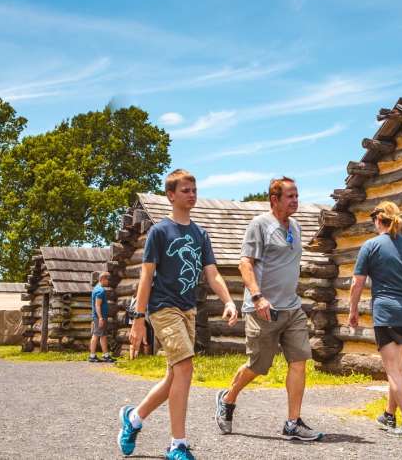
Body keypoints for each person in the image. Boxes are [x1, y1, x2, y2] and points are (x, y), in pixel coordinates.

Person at [117, 169, 238, 460]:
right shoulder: (160, 232)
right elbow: (146, 278)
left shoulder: (200, 234)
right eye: (185, 190)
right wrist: (137, 319)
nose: (192, 195)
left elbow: (212, 273)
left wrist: (229, 300)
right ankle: (177, 444)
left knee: (175, 376)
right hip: (162, 307)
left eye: (194, 190)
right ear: (171, 195)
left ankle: (133, 418)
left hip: (188, 309)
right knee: (185, 367)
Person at [215, 177, 323, 442]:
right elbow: (245, 264)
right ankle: (228, 399)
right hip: (262, 309)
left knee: (299, 362)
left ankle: (292, 422)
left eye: (297, 196)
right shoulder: (259, 225)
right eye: (290, 197)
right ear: (274, 199)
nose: (296, 201)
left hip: (292, 308)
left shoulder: (296, 226)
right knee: (258, 365)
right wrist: (258, 296)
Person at [349, 201, 402, 438]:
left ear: (378, 219)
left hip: (388, 314)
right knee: (398, 367)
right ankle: (389, 414)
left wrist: (353, 310)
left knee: (395, 370)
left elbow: (357, 283)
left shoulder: (371, 246)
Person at [89, 271, 116, 363]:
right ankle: (92, 356)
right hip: (99, 317)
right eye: (108, 280)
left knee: (103, 336)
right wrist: (100, 318)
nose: (108, 282)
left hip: (99, 317)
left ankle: (106, 355)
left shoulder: (96, 288)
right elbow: (97, 305)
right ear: (102, 279)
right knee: (96, 335)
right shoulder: (100, 290)